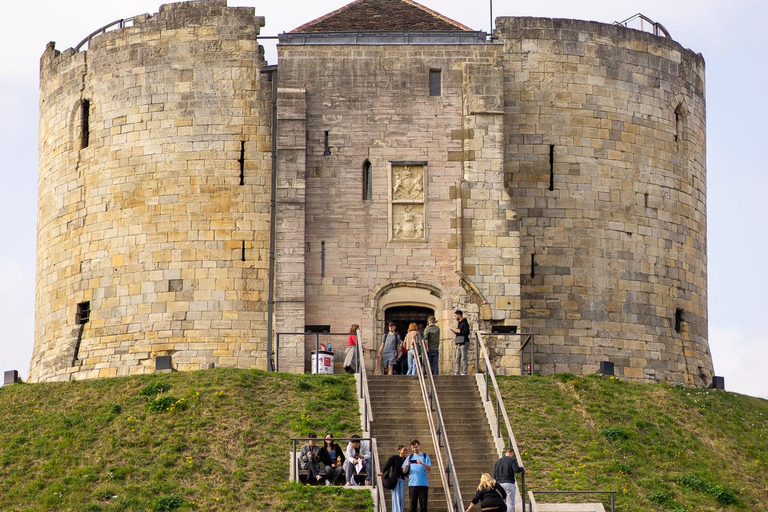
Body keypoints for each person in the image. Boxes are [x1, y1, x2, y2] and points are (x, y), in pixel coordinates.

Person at [402, 439, 431, 512]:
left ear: (419, 446)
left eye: (416, 447)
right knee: (412, 506)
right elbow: (404, 471)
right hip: (413, 484)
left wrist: (422, 463)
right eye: (413, 447)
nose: (415, 449)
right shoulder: (410, 457)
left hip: (423, 484)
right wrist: (406, 465)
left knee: (423, 506)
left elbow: (429, 468)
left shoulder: (425, 456)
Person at [493, 447, 525, 512]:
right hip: (509, 483)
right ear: (512, 453)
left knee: (502, 503)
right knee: (510, 504)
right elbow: (516, 469)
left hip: (499, 484)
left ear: (506, 453)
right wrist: (522, 469)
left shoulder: (498, 461)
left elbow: (494, 475)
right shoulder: (512, 460)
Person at [377, 444, 408, 512]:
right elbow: (388, 465)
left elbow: (406, 472)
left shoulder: (406, 460)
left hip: (402, 480)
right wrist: (383, 471)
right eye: (404, 450)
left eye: (406, 450)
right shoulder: (394, 458)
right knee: (396, 496)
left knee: (401, 497)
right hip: (395, 480)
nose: (405, 452)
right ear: (399, 451)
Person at [452, 310, 470, 375]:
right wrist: (456, 331)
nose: (455, 317)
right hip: (459, 342)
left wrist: (459, 331)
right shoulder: (459, 323)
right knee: (457, 358)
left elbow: (467, 332)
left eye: (456, 315)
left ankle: (464, 372)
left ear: (459, 315)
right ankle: (457, 372)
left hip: (464, 342)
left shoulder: (465, 323)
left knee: (464, 357)